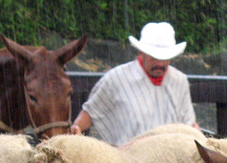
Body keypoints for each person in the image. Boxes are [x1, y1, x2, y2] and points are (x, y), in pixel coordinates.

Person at [70, 21, 198, 145]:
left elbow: (189, 123)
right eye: (154, 57)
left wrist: (206, 144)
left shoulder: (180, 81)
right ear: (141, 52)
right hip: (126, 160)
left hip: (172, 159)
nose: (160, 63)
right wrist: (77, 126)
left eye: (165, 58)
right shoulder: (116, 79)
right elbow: (91, 111)